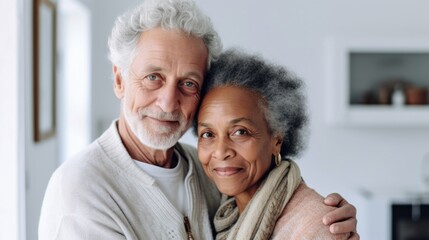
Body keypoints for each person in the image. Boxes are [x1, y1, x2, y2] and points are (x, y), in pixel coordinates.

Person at [39, 0, 358, 239]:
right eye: (153, 77)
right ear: (120, 80)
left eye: (188, 83)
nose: (168, 102)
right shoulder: (82, 189)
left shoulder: (209, 171)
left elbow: (277, 209)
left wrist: (324, 222)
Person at [195, 49, 358, 239]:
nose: (221, 151)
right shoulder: (224, 213)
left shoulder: (319, 224)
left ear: (277, 140)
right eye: (207, 134)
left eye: (240, 132)